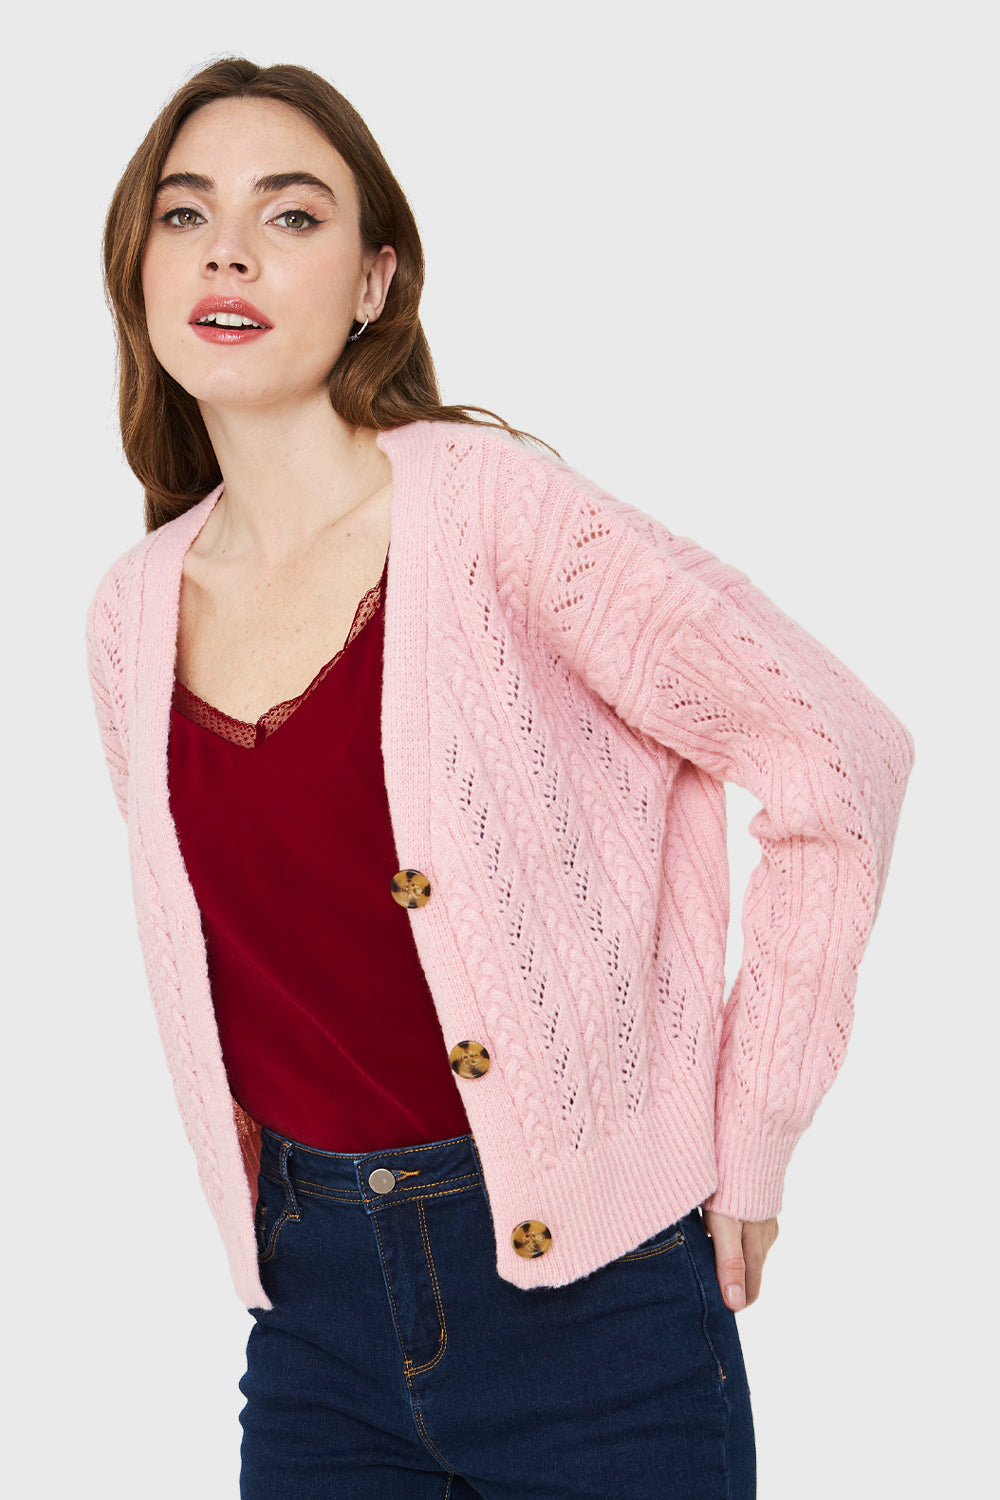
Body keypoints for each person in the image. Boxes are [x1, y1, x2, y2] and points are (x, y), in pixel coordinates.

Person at [86, 57, 913, 1500]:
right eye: (186, 215)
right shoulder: (130, 612)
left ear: (373, 282)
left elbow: (835, 752)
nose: (228, 252)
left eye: (292, 216)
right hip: (315, 1322)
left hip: (598, 1306)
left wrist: (755, 1128)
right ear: (139, 273)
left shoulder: (495, 517)